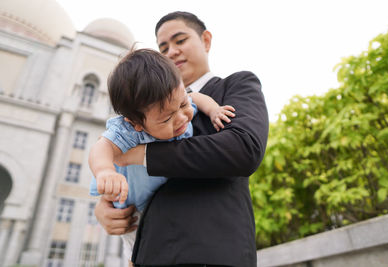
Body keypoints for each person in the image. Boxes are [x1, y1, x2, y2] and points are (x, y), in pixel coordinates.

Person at [94, 11, 269, 267]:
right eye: (163, 47)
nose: (172, 51)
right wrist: (107, 207)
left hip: (211, 253)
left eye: (180, 40)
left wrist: (143, 155)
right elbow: (116, 165)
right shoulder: (140, 112)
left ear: (206, 40)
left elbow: (243, 149)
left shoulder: (236, 85)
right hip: (148, 255)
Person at [88, 48, 235, 263]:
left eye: (182, 104)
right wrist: (105, 171)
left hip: (170, 203)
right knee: (136, 252)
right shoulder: (127, 131)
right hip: (135, 211)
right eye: (166, 119)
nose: (182, 118)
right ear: (137, 123)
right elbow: (102, 148)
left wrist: (214, 110)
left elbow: (196, 98)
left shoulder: (178, 100)